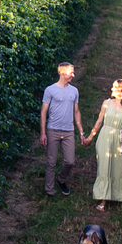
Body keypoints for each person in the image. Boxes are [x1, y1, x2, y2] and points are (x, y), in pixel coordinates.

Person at [82, 79, 122, 211]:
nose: (111, 89)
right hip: (105, 137)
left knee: (119, 167)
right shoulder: (106, 103)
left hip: (119, 139)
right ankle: (103, 199)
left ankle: (119, 194)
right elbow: (99, 122)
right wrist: (89, 138)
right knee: (104, 167)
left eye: (115, 87)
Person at [40, 62, 84, 196]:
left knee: (70, 161)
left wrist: (81, 132)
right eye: (71, 72)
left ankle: (61, 179)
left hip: (69, 131)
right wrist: (43, 133)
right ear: (63, 73)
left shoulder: (74, 91)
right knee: (51, 162)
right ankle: (49, 190)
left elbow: (76, 112)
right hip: (53, 129)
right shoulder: (50, 90)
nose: (73, 75)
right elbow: (43, 112)